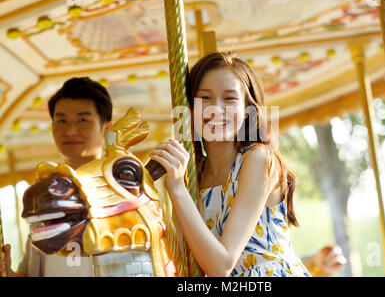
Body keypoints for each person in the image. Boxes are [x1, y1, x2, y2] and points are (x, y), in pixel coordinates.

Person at [151, 52, 317, 276]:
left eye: (229, 98)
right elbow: (182, 257)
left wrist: (178, 190)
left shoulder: (258, 159)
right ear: (190, 109)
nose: (216, 109)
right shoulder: (192, 175)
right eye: (205, 98)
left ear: (248, 109)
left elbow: (222, 265)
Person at [0, 77, 112, 277]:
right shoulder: (45, 194)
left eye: (82, 120)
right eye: (61, 120)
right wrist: (7, 270)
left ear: (106, 126)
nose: (70, 130)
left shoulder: (120, 188)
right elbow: (29, 270)